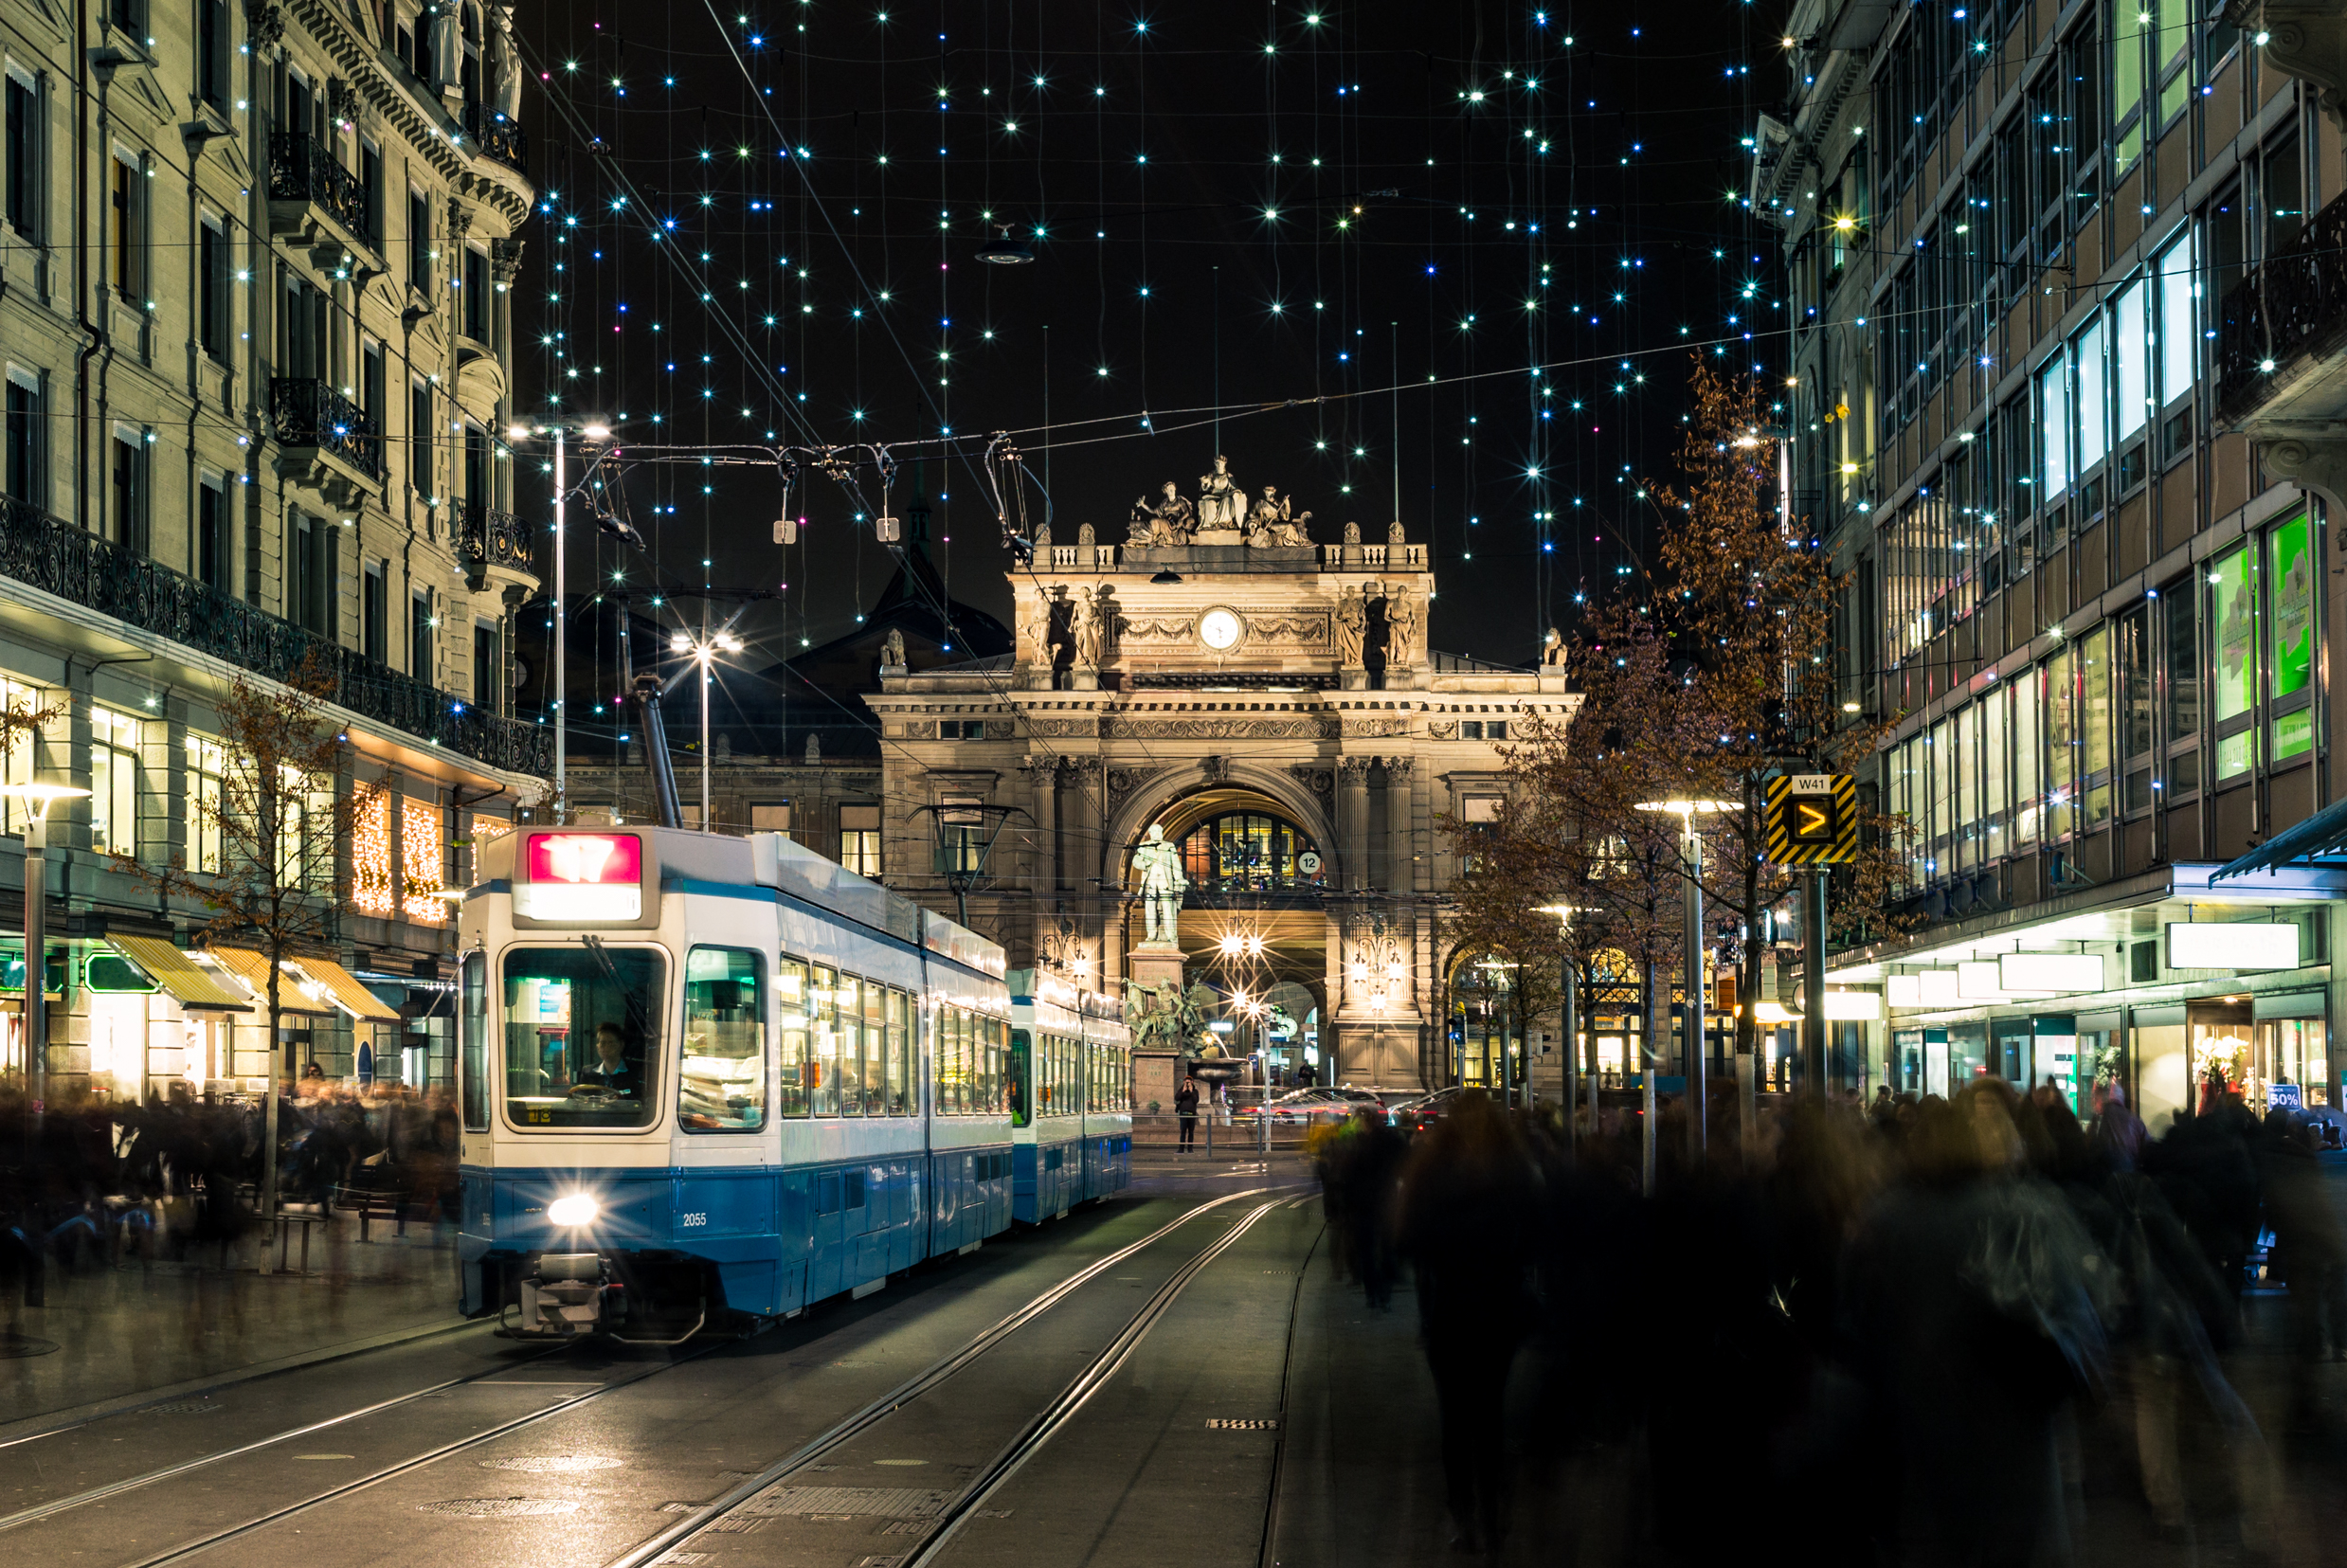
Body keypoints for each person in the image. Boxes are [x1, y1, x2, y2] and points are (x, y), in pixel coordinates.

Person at [574, 1022, 638, 1098]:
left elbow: (639, 1099)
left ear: (621, 1045)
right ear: (597, 1046)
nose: (606, 1048)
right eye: (602, 1043)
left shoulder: (634, 1072)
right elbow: (581, 1099)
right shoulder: (588, 1072)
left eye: (610, 1043)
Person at [1174, 1079, 1200, 1152]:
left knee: (1191, 1132)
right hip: (1183, 1114)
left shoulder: (1195, 1091)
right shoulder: (1181, 1090)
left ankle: (1190, 1149)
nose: (1187, 1083)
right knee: (1183, 1132)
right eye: (1186, 1082)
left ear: (1192, 1082)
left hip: (1191, 1114)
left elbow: (1196, 1100)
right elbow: (1177, 1098)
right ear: (1184, 1082)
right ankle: (1181, 1149)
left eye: (1189, 1082)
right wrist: (1183, 1090)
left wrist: (1191, 1091)